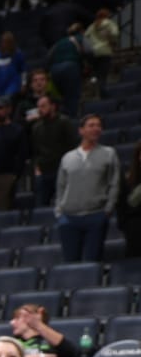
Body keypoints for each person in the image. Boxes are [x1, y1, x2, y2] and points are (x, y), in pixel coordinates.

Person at [55, 113, 120, 264]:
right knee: (70, 264)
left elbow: (114, 183)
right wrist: (59, 212)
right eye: (91, 125)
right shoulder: (67, 157)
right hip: (69, 218)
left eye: (98, 126)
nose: (96, 129)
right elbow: (61, 186)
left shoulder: (109, 153)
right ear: (81, 130)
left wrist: (108, 210)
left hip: (96, 215)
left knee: (92, 263)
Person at [8, 301, 73, 357]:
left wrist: (38, 325)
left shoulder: (50, 341)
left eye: (17, 318)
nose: (12, 322)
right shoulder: (10, 343)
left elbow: (70, 353)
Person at [30, 94, 77, 208]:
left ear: (53, 106)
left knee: (64, 205)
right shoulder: (36, 127)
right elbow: (35, 151)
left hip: (61, 170)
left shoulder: (64, 122)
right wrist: (36, 167)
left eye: (43, 106)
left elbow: (72, 146)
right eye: (39, 107)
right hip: (43, 172)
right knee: (40, 205)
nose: (40, 110)